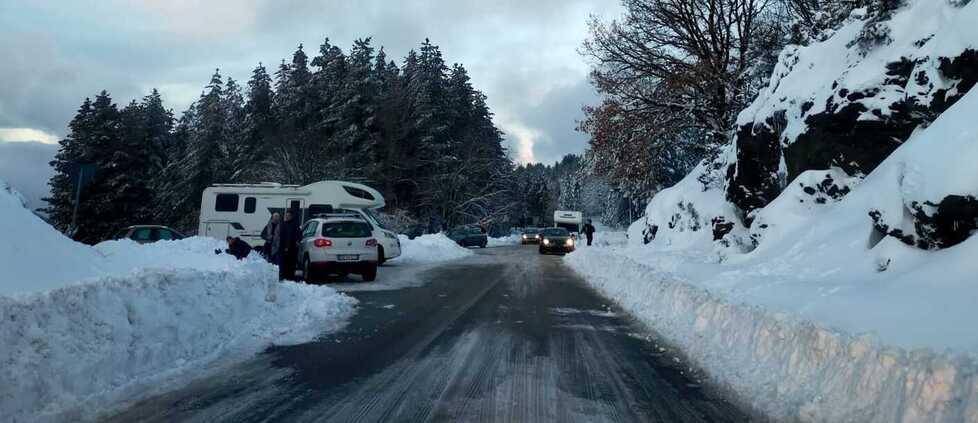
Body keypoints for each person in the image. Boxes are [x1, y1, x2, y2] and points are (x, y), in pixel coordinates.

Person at [274, 210, 302, 281]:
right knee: (282, 264)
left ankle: (290, 278)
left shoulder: (295, 225)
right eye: (286, 215)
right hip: (282, 248)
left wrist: (297, 241)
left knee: (291, 264)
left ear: (291, 216)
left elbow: (298, 235)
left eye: (288, 216)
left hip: (292, 249)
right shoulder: (282, 224)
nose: (286, 217)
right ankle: (282, 277)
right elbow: (278, 236)